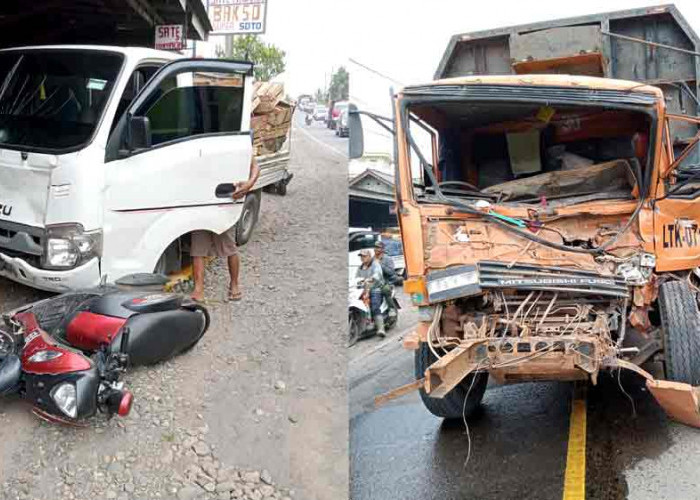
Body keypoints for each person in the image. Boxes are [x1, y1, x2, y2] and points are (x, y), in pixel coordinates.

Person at [190, 155, 260, 302]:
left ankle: (234, 284)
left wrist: (250, 183)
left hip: (223, 200)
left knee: (229, 247)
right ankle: (198, 289)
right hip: (199, 201)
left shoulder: (230, 141)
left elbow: (254, 165)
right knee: (198, 248)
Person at [355, 248, 387, 337]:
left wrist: (372, 278)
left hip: (375, 289)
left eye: (364, 256)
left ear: (369, 256)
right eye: (361, 256)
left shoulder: (375, 264)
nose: (362, 258)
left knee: (374, 307)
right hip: (363, 290)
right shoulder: (360, 268)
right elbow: (356, 278)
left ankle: (381, 328)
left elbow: (378, 274)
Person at [374, 241, 398, 315]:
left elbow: (391, 272)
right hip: (374, 282)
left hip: (386, 282)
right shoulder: (372, 258)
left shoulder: (387, 259)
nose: (376, 249)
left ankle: (392, 309)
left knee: (385, 290)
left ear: (382, 249)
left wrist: (380, 264)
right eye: (375, 247)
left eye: (378, 247)